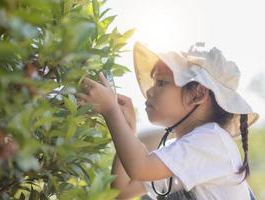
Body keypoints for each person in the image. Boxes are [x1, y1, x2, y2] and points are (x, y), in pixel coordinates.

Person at [75, 41, 259, 200]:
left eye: (161, 83)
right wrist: (129, 129)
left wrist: (111, 111)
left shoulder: (211, 140)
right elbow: (122, 191)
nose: (149, 91)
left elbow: (140, 167)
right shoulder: (182, 150)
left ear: (198, 94)